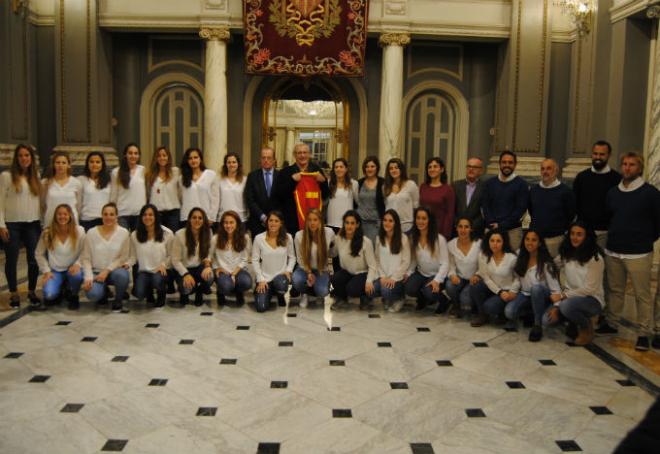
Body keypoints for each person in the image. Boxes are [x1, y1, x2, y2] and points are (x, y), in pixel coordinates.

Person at [604, 152, 660, 351]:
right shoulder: (613, 193)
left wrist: (643, 238)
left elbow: (657, 223)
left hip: (639, 253)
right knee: (615, 290)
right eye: (625, 164)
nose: (627, 168)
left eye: (632, 165)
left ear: (640, 168)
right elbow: (610, 217)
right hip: (614, 250)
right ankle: (612, 322)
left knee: (641, 294)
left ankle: (644, 332)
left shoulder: (650, 193)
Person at [573, 140, 621, 334]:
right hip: (584, 235)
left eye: (602, 154)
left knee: (607, 277)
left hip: (605, 234)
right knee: (582, 273)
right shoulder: (582, 177)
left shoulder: (616, 179)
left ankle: (606, 316)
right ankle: (582, 310)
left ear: (608, 156)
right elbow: (575, 205)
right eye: (595, 154)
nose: (598, 157)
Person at [544, 221, 605, 346]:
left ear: (586, 236)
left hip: (591, 300)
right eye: (572, 233)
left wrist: (561, 296)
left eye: (579, 234)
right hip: (569, 297)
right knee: (546, 321)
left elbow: (589, 289)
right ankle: (572, 320)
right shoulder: (567, 253)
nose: (574, 237)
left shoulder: (595, 259)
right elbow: (552, 265)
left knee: (566, 306)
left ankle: (586, 328)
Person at [0, 144, 42, 308]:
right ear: (16, 159)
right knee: (12, 259)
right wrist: (1, 225)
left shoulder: (35, 176)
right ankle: (13, 293)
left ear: (31, 158)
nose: (24, 158)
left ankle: (31, 291)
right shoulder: (6, 176)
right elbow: (0, 202)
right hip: (12, 224)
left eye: (27, 155)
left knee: (33, 259)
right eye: (21, 156)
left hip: (32, 224)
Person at [508, 229, 561, 341]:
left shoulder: (546, 263)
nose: (529, 243)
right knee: (509, 312)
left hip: (544, 296)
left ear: (540, 243)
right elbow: (518, 278)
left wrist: (556, 307)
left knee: (546, 320)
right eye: (527, 239)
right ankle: (532, 312)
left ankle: (537, 324)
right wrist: (512, 291)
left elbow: (556, 290)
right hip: (525, 295)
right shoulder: (520, 255)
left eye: (534, 240)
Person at [80, 203, 130, 312]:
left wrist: (107, 271)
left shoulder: (124, 233)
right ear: (101, 216)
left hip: (114, 272)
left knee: (123, 275)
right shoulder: (91, 233)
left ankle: (118, 300)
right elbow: (86, 258)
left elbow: (123, 257)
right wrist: (88, 277)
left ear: (117, 217)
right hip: (96, 272)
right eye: (105, 214)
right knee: (92, 294)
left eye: (112, 214)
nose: (108, 217)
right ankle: (103, 294)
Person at [35, 204, 85, 310]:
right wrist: (46, 271)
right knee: (49, 295)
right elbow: (38, 253)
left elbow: (85, 252)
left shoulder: (79, 231)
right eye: (59, 214)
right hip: (55, 271)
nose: (62, 217)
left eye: (65, 214)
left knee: (77, 276)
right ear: (55, 216)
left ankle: (74, 295)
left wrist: (77, 264)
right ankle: (61, 289)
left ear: (70, 215)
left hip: (72, 269)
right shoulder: (47, 232)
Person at [274, 143, 329, 234]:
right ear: (294, 155)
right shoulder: (285, 172)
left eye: (305, 152)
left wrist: (323, 181)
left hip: (313, 222)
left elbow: (326, 195)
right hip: (292, 221)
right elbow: (279, 195)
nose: (302, 155)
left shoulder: (317, 170)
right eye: (299, 153)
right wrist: (292, 180)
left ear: (309, 154)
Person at [469, 228, 519, 327]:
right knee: (475, 285)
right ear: (488, 242)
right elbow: (486, 278)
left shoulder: (512, 258)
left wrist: (513, 291)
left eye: (498, 241)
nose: (495, 244)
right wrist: (499, 292)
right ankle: (482, 315)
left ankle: (501, 313)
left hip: (507, 290)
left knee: (490, 307)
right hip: (494, 289)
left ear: (503, 242)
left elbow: (518, 278)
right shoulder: (483, 256)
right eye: (492, 241)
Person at [404, 206, 449, 313]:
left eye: (424, 218)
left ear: (429, 220)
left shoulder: (440, 239)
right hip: (421, 274)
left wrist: (437, 280)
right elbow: (414, 260)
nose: (420, 221)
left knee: (429, 291)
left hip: (436, 275)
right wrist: (408, 273)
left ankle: (444, 301)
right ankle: (423, 299)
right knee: (409, 288)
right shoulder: (413, 238)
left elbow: (445, 264)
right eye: (418, 218)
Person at [127, 204, 173, 308]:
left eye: (151, 215)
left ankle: (161, 295)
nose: (147, 217)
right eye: (145, 215)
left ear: (156, 216)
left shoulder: (167, 233)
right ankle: (149, 292)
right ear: (141, 217)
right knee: (138, 293)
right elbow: (133, 257)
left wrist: (164, 265)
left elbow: (172, 255)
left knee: (157, 281)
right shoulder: (135, 235)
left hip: (161, 270)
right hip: (144, 271)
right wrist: (126, 264)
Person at [481, 151, 529, 251]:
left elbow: (520, 209)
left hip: (512, 232)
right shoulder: (489, 183)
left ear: (515, 165)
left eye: (510, 162)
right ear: (500, 164)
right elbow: (485, 206)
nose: (507, 165)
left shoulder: (522, 185)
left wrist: (501, 225)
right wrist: (492, 223)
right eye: (504, 162)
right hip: (491, 230)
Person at [528, 159, 575, 257]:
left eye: (549, 168)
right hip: (535, 240)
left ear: (556, 171)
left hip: (555, 240)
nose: (545, 171)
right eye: (542, 169)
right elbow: (532, 211)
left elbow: (570, 214)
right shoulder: (534, 190)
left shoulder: (565, 192)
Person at [331, 210, 378, 309]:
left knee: (352, 289)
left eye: (352, 223)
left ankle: (366, 298)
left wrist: (369, 281)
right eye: (347, 223)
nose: (349, 226)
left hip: (363, 273)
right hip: (348, 272)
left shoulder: (366, 242)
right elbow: (332, 254)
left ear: (357, 225)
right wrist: (330, 242)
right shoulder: (339, 238)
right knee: (335, 278)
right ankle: (342, 299)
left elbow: (373, 266)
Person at [251, 210, 295, 312]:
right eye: (271, 220)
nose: (273, 223)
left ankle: (280, 294)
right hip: (265, 279)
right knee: (261, 307)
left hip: (281, 278)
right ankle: (265, 292)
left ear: (281, 223)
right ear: (267, 222)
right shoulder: (259, 238)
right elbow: (254, 260)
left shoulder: (288, 237)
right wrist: (260, 279)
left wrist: (288, 270)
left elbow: (292, 257)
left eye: (276, 221)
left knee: (281, 284)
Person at [171, 207, 215, 306]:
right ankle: (186, 292)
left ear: (204, 220)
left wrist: (208, 266)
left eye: (200, 218)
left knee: (210, 276)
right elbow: (175, 260)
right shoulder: (179, 234)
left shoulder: (208, 232)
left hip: (200, 267)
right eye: (194, 217)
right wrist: (185, 274)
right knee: (186, 289)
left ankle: (200, 290)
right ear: (189, 219)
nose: (197, 220)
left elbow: (209, 253)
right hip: (184, 268)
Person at [293, 208, 335, 308]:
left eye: (315, 220)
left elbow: (333, 253)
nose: (312, 223)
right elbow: (300, 260)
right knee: (296, 280)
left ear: (320, 221)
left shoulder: (329, 233)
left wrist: (330, 268)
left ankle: (317, 290)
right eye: (309, 220)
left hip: (322, 269)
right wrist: (309, 273)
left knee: (322, 291)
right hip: (305, 269)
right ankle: (305, 293)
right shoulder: (299, 236)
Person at [213, 210, 252, 307]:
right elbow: (210, 257)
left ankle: (239, 292)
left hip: (238, 270)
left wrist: (234, 273)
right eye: (226, 223)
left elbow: (245, 258)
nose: (228, 225)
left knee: (246, 282)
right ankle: (221, 292)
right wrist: (217, 268)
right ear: (222, 224)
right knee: (226, 286)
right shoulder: (215, 239)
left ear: (237, 224)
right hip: (223, 271)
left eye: (231, 222)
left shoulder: (245, 238)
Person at [374, 209, 410, 311]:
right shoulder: (379, 238)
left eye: (390, 221)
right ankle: (388, 298)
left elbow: (406, 261)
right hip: (384, 276)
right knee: (371, 290)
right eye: (385, 220)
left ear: (396, 223)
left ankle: (399, 298)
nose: (387, 223)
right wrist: (382, 277)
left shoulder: (403, 239)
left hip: (397, 278)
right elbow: (376, 259)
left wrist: (394, 278)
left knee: (386, 291)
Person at [446, 217, 481, 317]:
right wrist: (452, 275)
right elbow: (451, 265)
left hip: (474, 279)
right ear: (456, 228)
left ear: (471, 229)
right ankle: (455, 305)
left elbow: (483, 265)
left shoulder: (479, 243)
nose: (463, 230)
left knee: (466, 301)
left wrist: (478, 275)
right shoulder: (450, 245)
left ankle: (473, 305)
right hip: (460, 278)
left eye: (466, 227)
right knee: (449, 285)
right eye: (460, 226)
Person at [179, 147, 220, 227]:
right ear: (187, 161)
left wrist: (211, 217)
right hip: (187, 218)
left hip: (205, 218)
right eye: (190, 158)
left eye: (196, 157)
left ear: (200, 159)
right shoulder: (181, 178)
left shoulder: (211, 175)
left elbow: (215, 199)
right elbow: (180, 198)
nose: (193, 160)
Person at [111, 143, 146, 231]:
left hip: (139, 213)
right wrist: (113, 212)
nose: (133, 156)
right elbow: (113, 194)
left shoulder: (143, 170)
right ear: (125, 155)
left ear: (139, 156)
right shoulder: (116, 172)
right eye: (130, 153)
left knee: (138, 241)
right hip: (122, 214)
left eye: (136, 153)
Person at [245, 147, 279, 237]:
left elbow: (282, 200)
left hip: (276, 222)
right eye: (263, 158)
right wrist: (263, 217)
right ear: (260, 159)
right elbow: (250, 200)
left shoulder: (280, 176)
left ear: (274, 160)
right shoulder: (252, 176)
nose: (266, 160)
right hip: (257, 222)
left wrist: (273, 218)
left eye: (269, 158)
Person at [145, 146, 181, 233]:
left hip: (173, 214)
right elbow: (148, 194)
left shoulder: (176, 172)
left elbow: (181, 191)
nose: (162, 158)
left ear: (168, 157)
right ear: (156, 158)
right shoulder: (150, 175)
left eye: (164, 155)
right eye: (159, 156)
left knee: (172, 240)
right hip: (156, 214)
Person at [42, 151, 82, 226]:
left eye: (63, 163)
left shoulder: (76, 183)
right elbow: (43, 205)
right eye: (58, 162)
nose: (60, 165)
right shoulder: (45, 183)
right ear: (53, 165)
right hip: (51, 222)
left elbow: (78, 206)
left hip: (70, 224)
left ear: (68, 165)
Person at [419, 157, 455, 239]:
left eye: (435, 166)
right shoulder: (423, 187)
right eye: (429, 167)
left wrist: (445, 235)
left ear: (441, 169)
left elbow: (450, 214)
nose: (432, 169)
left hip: (439, 230)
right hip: (423, 228)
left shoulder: (448, 189)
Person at [78, 151, 111, 231]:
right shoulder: (81, 180)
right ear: (87, 164)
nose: (94, 164)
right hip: (86, 220)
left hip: (105, 220)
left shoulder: (110, 180)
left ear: (102, 164)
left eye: (98, 162)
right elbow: (78, 202)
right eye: (91, 162)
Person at [383, 158, 419, 232]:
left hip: (407, 227)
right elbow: (385, 205)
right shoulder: (385, 187)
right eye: (391, 168)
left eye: (396, 168)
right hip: (390, 227)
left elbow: (416, 206)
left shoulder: (411, 184)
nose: (393, 170)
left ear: (401, 169)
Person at [453, 157, 485, 237]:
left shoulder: (486, 187)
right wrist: (459, 225)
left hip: (476, 231)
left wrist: (470, 226)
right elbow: (451, 209)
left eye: (474, 167)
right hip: (457, 231)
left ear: (481, 171)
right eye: (469, 166)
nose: (471, 169)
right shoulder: (455, 186)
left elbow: (485, 212)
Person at [357, 156, 385, 243]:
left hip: (375, 224)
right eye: (367, 166)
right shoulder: (359, 183)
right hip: (360, 223)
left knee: (373, 251)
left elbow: (386, 203)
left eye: (372, 166)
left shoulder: (383, 183)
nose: (369, 169)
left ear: (377, 168)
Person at [326, 158, 359, 231]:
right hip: (331, 222)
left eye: (341, 167)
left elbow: (358, 202)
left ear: (346, 169)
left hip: (347, 224)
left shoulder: (353, 184)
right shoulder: (328, 183)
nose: (338, 169)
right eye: (336, 167)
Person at [217, 152, 248, 224]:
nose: (231, 164)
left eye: (234, 162)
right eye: (229, 162)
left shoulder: (245, 180)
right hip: (223, 218)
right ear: (225, 165)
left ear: (238, 164)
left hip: (241, 218)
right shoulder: (219, 180)